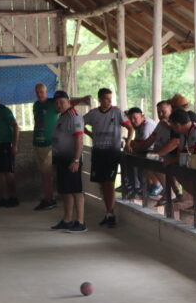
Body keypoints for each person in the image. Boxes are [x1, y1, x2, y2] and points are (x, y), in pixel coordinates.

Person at [32, 83, 91, 211]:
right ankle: (61, 211)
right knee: (46, 175)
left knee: (52, 177)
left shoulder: (55, 105)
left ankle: (50, 200)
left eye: (41, 91)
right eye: (37, 92)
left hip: (52, 146)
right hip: (40, 144)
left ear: (47, 92)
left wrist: (81, 99)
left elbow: (68, 102)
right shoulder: (37, 105)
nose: (39, 94)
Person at [84, 88, 135, 228]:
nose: (109, 101)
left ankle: (111, 213)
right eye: (106, 98)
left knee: (109, 182)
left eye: (110, 98)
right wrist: (90, 134)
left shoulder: (117, 112)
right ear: (100, 99)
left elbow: (130, 128)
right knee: (102, 183)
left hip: (112, 152)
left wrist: (128, 143)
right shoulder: (93, 114)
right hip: (98, 152)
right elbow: (79, 123)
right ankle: (108, 212)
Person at [49, 91, 87, 233]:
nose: (59, 105)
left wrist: (76, 160)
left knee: (76, 191)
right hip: (61, 159)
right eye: (57, 103)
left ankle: (81, 222)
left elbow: (79, 139)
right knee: (66, 191)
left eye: (62, 102)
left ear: (69, 102)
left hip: (72, 159)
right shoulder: (62, 117)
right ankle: (67, 220)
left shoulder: (74, 117)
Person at [122, 107, 157, 198]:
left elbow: (141, 146)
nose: (133, 121)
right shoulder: (138, 124)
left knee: (134, 159)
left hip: (153, 151)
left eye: (135, 118)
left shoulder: (147, 125)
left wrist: (129, 143)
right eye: (131, 119)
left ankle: (139, 187)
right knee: (125, 156)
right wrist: (131, 144)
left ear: (142, 116)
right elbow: (137, 144)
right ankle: (131, 185)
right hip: (145, 149)